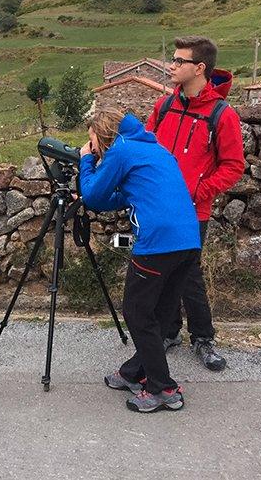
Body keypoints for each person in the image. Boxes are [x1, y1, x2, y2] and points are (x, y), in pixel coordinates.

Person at [79, 105, 202, 413]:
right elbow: (127, 195)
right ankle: (134, 372)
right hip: (188, 241)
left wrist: (85, 160)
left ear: (102, 135)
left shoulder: (120, 150)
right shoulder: (153, 148)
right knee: (159, 313)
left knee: (136, 312)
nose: (92, 145)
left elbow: (93, 197)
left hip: (158, 243)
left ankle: (163, 388)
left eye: (92, 139)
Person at [145, 36, 245, 371]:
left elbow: (233, 166)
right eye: (172, 59)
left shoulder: (222, 114)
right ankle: (169, 331)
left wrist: (197, 192)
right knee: (160, 272)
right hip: (157, 207)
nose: (171, 66)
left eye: (178, 60)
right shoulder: (163, 106)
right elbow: (147, 149)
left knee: (188, 275)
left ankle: (203, 338)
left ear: (199, 68)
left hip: (192, 210)